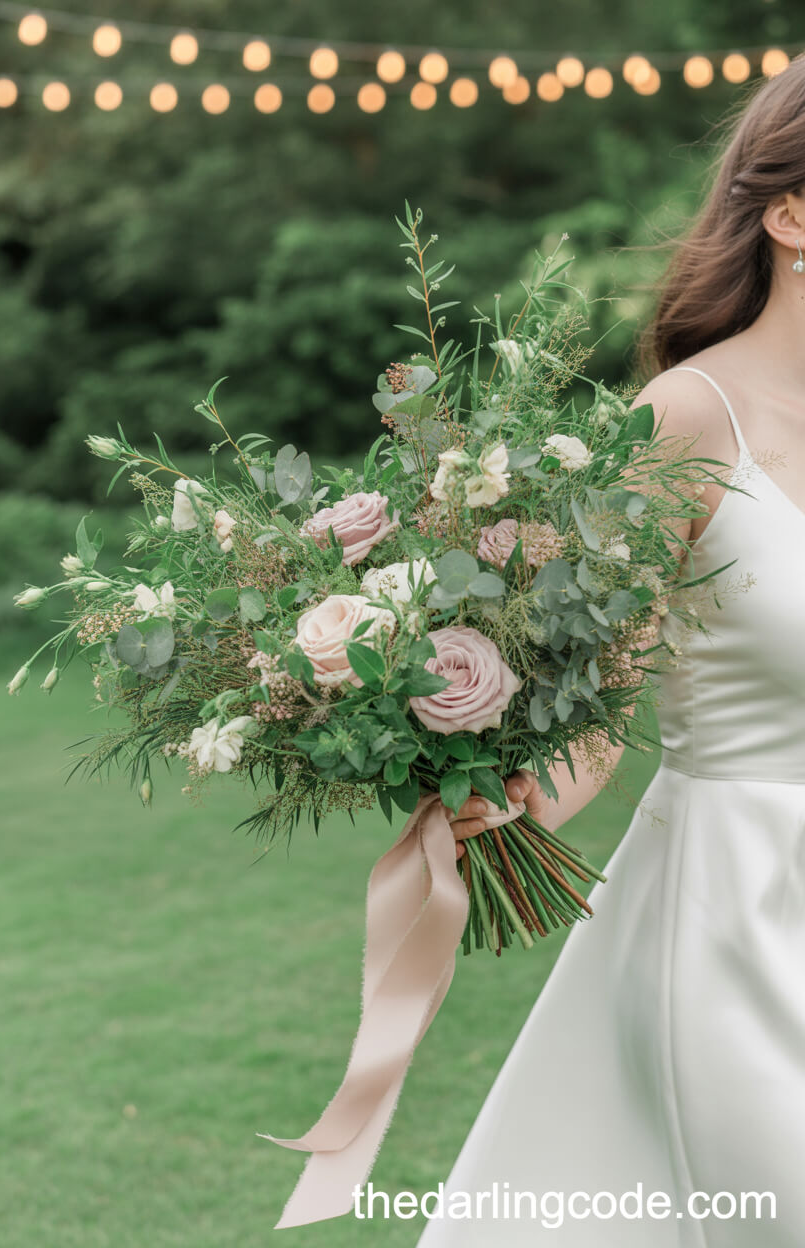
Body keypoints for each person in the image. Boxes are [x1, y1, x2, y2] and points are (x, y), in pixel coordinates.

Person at [416, 54, 805, 1247]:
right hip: (740, 919)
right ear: (792, 215)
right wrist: (505, 786)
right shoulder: (688, 421)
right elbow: (602, 687)